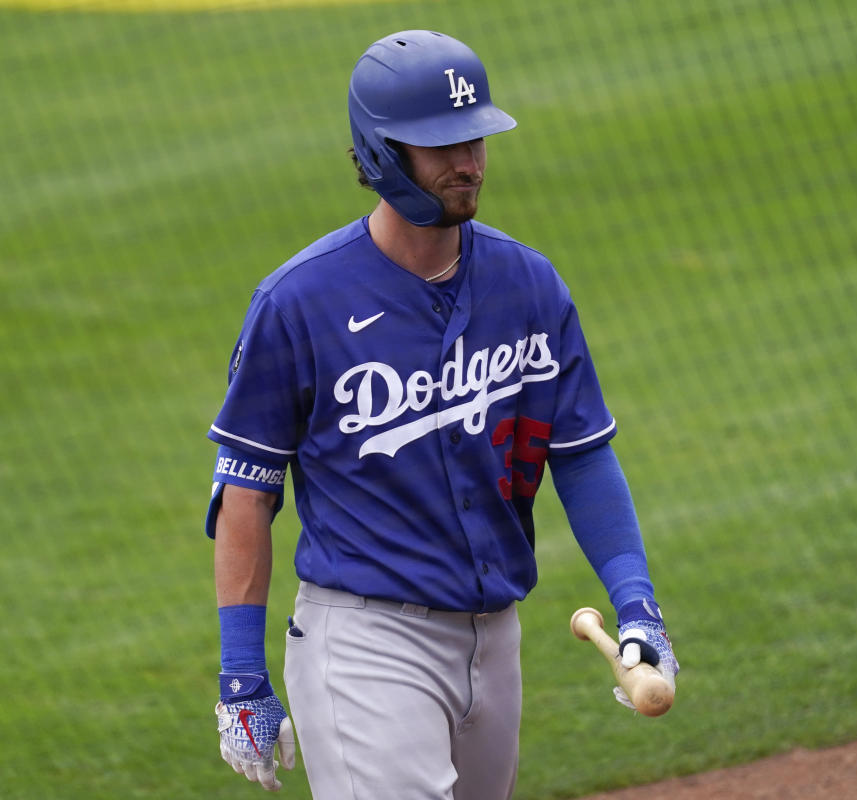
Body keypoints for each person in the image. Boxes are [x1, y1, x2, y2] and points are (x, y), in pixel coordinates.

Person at [205, 29, 679, 798]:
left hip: (496, 639)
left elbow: (582, 452)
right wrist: (240, 677)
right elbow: (246, 494)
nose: (469, 162)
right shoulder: (297, 305)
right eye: (441, 146)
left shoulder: (529, 285)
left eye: (474, 139)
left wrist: (637, 605)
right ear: (384, 152)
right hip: (366, 644)